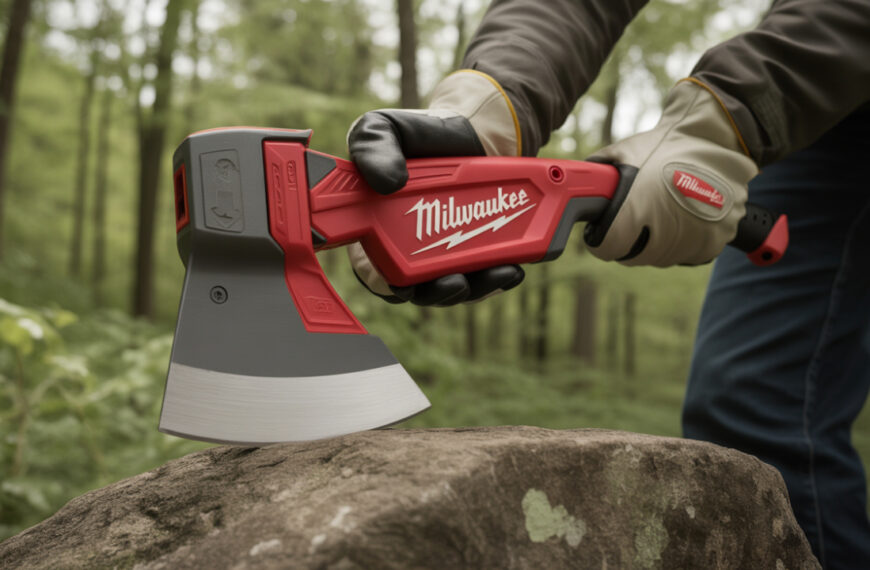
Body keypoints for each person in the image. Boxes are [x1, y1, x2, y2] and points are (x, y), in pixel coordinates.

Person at [345, 1, 870, 567]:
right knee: (753, 401)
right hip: (828, 102)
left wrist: (722, 123)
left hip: (834, 44)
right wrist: (490, 105)